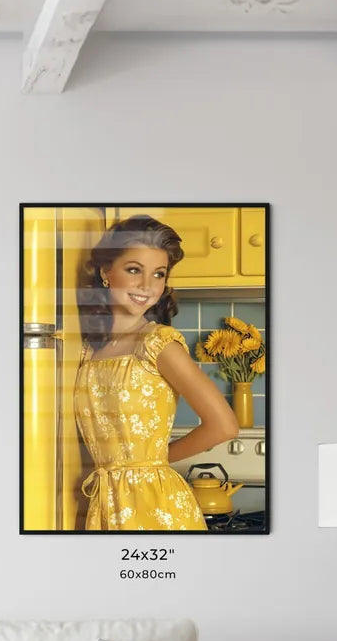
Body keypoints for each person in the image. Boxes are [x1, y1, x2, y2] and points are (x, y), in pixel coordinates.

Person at [76, 215, 239, 530]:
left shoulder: (158, 344)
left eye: (158, 274)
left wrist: (154, 461)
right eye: (134, 270)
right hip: (106, 502)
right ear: (106, 273)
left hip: (157, 506)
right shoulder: (87, 349)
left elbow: (224, 426)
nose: (147, 286)